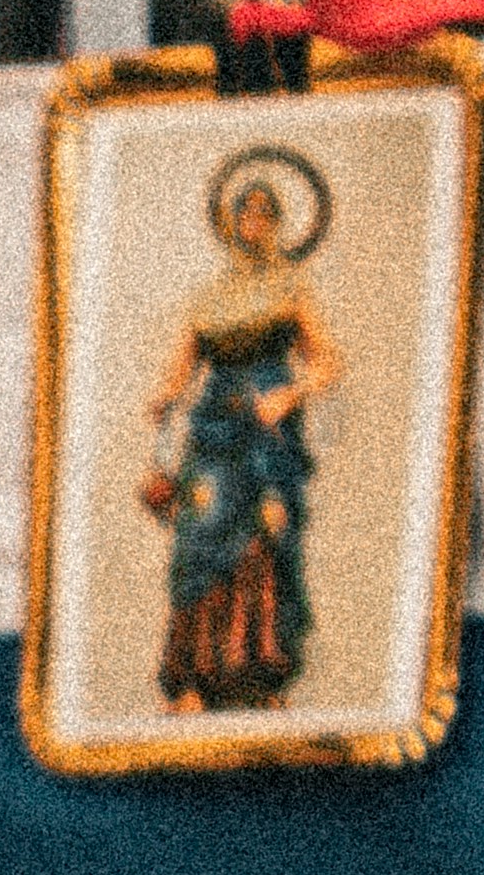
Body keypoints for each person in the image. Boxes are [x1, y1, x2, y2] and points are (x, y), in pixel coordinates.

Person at [141, 144, 342, 713]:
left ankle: (261, 678)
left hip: (266, 434)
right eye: (244, 213)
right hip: (213, 430)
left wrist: (290, 393)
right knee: (198, 539)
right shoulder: (210, 297)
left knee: (264, 537)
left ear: (277, 224)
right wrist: (165, 396)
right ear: (231, 223)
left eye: (264, 213)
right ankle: (194, 681)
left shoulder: (290, 288)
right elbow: (184, 366)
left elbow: (327, 361)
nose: (253, 223)